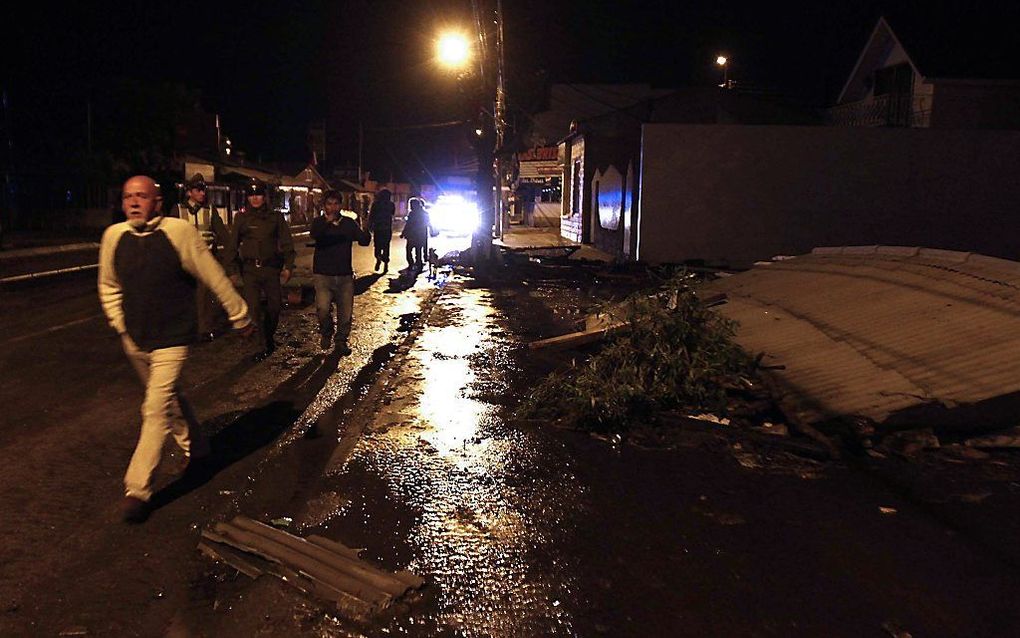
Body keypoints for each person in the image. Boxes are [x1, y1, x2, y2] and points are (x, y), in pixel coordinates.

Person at [98, 175, 251, 523]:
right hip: (134, 340)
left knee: (154, 408)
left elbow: (211, 274)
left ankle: (137, 490)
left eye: (142, 196)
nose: (134, 202)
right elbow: (108, 286)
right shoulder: (114, 237)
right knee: (168, 400)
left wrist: (239, 314)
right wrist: (121, 325)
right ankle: (197, 448)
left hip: (172, 338)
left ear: (158, 201)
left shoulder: (179, 232)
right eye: (128, 197)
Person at [226, 179, 296, 362]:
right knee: (254, 309)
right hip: (250, 270)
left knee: (274, 307)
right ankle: (261, 344)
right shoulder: (241, 218)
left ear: (264, 197)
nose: (255, 198)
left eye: (258, 194)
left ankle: (268, 335)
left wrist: (288, 266)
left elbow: (287, 244)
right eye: (251, 194)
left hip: (271, 269)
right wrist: (232, 270)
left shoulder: (275, 218)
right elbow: (232, 246)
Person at [310, 190, 371, 355]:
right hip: (323, 274)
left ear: (340, 205)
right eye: (329, 204)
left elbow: (364, 241)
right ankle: (326, 331)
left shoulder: (348, 224)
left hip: (344, 275)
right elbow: (314, 235)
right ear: (324, 206)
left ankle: (341, 341)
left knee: (345, 312)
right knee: (322, 309)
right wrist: (327, 222)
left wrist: (366, 229)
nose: (333, 207)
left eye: (336, 204)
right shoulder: (318, 223)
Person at [176, 173, 229, 341]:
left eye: (203, 190)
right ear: (189, 192)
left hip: (205, 260)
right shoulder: (178, 210)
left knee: (205, 297)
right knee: (185, 297)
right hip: (184, 261)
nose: (202, 194)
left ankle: (204, 330)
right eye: (198, 190)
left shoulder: (210, 211)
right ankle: (186, 329)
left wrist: (227, 254)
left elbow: (222, 234)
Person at [401, 197, 432, 271]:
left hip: (413, 235)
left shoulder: (412, 214)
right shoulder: (424, 213)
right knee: (418, 251)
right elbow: (428, 223)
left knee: (409, 250)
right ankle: (418, 264)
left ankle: (412, 264)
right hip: (420, 235)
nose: (411, 206)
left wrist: (404, 233)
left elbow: (408, 224)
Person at [368, 188, 395, 273]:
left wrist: (370, 225)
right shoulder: (391, 204)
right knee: (386, 246)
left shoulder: (376, 204)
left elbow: (371, 215)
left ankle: (379, 258)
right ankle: (385, 264)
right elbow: (392, 213)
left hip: (378, 229)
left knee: (377, 246)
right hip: (387, 229)